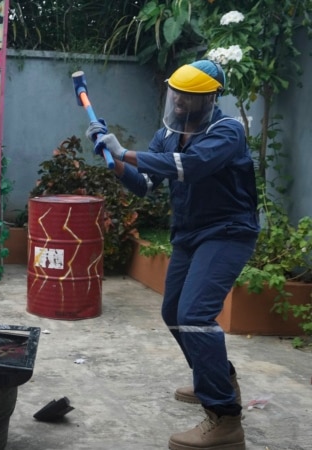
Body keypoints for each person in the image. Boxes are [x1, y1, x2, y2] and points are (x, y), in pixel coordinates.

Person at [86, 60, 258, 450]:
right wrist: (113, 161)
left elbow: (190, 167)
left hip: (228, 232)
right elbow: (145, 184)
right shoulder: (168, 133)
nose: (179, 102)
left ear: (210, 98)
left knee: (195, 316)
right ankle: (217, 379)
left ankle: (225, 419)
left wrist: (126, 150)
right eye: (176, 95)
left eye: (188, 97)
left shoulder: (226, 131)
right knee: (174, 313)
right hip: (189, 233)